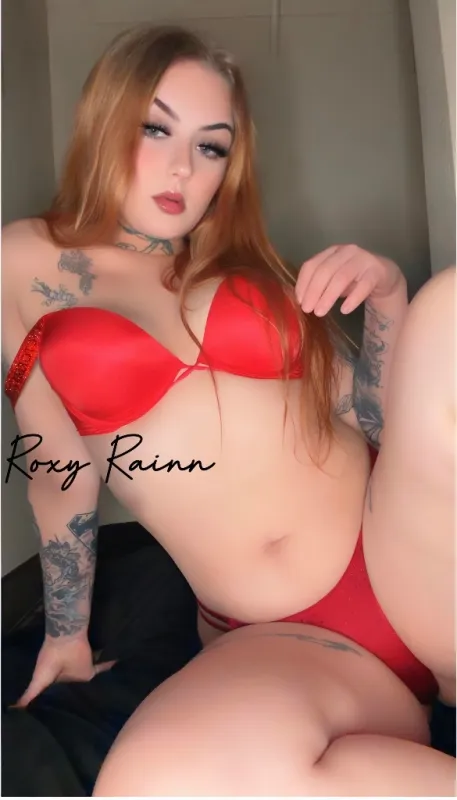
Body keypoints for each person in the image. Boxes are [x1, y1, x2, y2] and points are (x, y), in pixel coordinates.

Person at [1, 23, 453, 795]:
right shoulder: (24, 261)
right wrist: (64, 633)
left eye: (211, 146)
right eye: (155, 130)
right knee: (150, 782)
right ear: (104, 121)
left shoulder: (248, 271)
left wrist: (386, 297)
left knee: (447, 311)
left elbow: (376, 420)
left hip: (404, 547)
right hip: (280, 636)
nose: (183, 167)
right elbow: (59, 471)